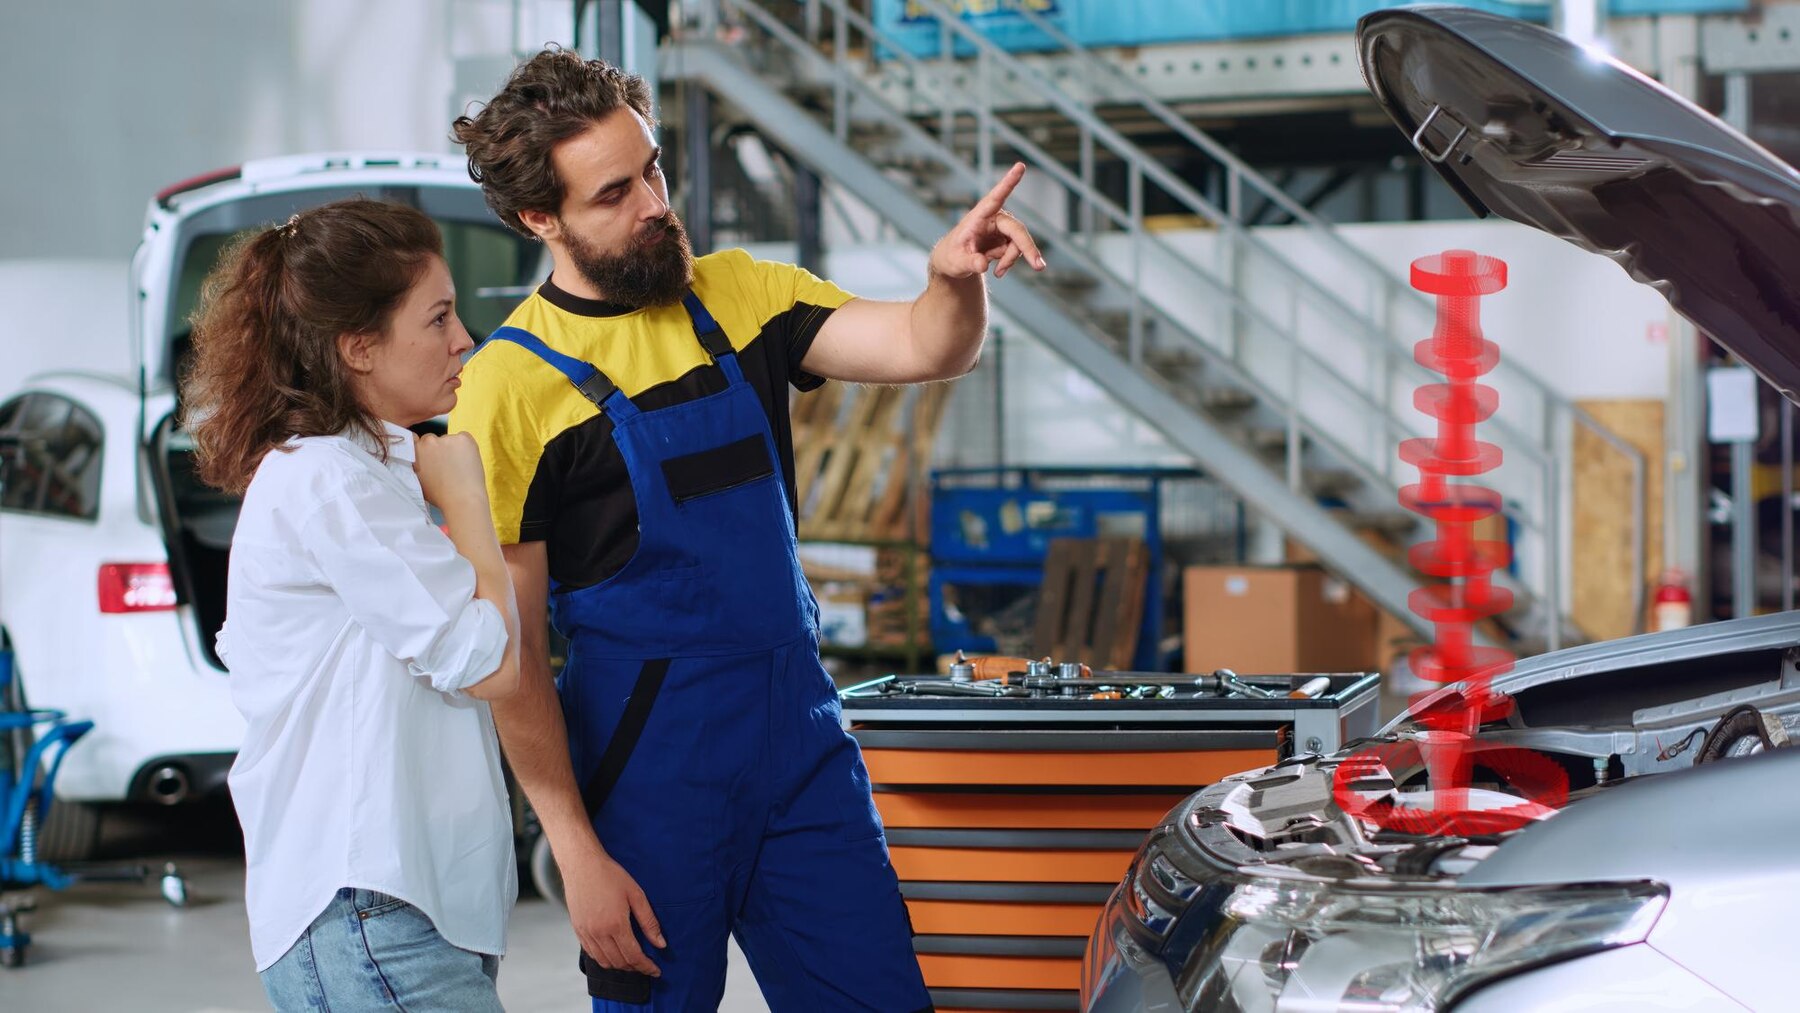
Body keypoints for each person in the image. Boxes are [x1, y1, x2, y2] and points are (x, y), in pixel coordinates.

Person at [449, 48, 1043, 1010]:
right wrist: (574, 848)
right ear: (539, 218)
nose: (653, 202)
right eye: (614, 192)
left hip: (799, 742)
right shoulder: (505, 392)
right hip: (648, 770)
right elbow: (512, 658)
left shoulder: (742, 295)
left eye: (653, 168)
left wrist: (952, 278)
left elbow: (927, 346)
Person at [185, 198, 523, 1011]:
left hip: (396, 915)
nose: (463, 340)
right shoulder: (329, 478)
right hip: (371, 917)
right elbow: (493, 663)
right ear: (359, 347)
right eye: (437, 318)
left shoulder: (362, 473)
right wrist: (469, 501)